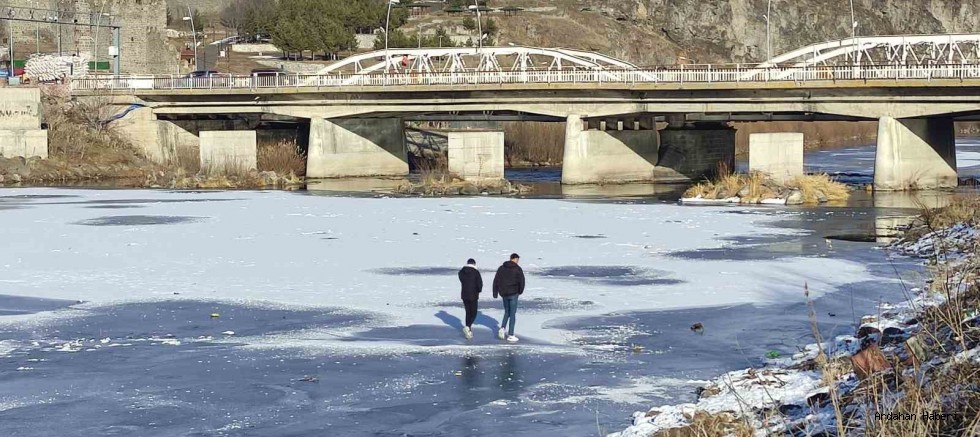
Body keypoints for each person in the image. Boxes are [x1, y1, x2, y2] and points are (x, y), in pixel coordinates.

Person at [493, 253, 525, 343]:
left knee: (507, 312)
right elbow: (522, 281)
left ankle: (502, 328)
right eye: (517, 260)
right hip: (513, 294)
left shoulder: (501, 268)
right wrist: (520, 291)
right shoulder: (517, 269)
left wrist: (495, 293)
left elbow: (496, 280)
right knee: (512, 314)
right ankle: (511, 334)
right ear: (514, 259)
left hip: (504, 294)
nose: (518, 261)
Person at [458, 258, 483, 339]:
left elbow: (461, 279)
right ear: (474, 264)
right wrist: (478, 290)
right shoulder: (476, 272)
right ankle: (468, 327)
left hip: (464, 294)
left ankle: (468, 330)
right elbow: (479, 284)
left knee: (468, 312)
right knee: (474, 312)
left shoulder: (462, 271)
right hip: (473, 295)